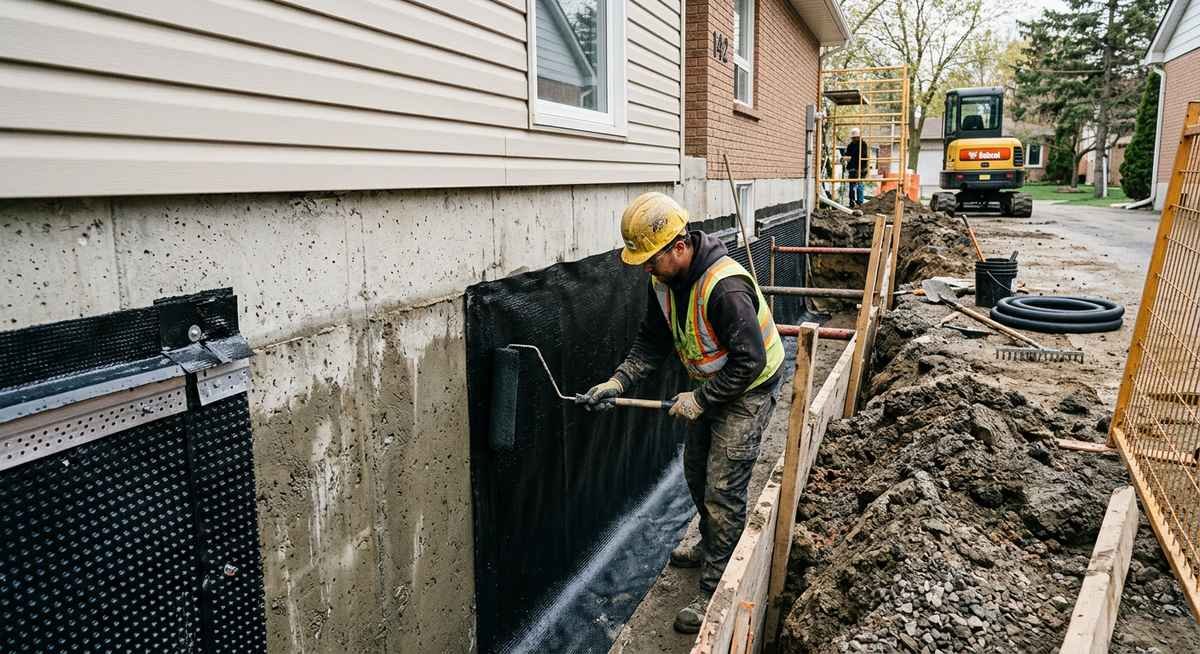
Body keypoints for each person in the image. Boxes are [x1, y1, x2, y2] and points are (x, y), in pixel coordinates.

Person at [580, 192, 784, 634]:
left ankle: (716, 589)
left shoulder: (724, 287)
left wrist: (701, 400)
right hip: (713, 383)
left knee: (723, 487)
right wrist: (618, 381)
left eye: (650, 258)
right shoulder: (663, 282)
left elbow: (748, 360)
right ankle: (713, 544)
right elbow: (651, 343)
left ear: (679, 246)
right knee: (695, 472)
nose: (645, 268)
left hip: (750, 386)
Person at [843, 127, 869, 208]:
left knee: (859, 185)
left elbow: (863, 156)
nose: (854, 139)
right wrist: (845, 157)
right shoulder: (850, 145)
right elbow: (847, 154)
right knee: (852, 185)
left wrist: (851, 158)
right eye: (853, 138)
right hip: (852, 168)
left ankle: (860, 202)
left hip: (861, 168)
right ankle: (852, 202)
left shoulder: (863, 144)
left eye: (855, 137)